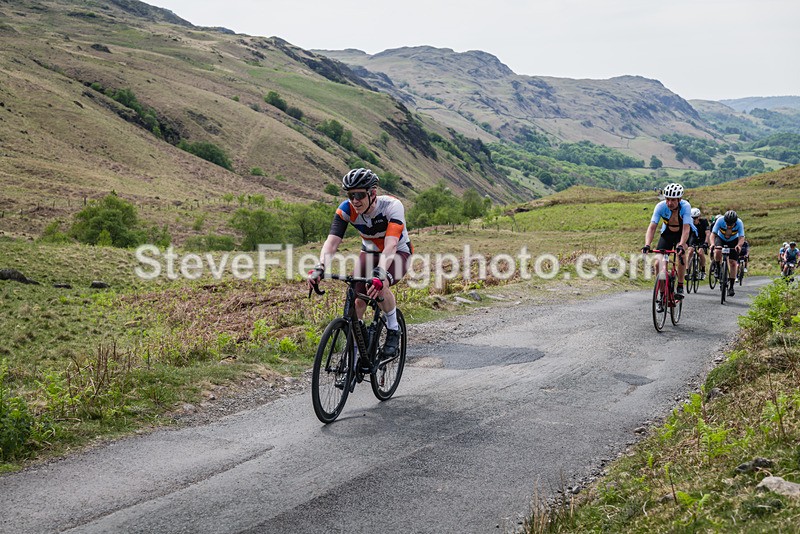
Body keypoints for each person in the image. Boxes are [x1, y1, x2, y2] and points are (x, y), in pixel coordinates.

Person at [307, 168, 412, 358]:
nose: (355, 200)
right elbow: (332, 242)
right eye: (351, 195)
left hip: (397, 252)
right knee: (357, 301)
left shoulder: (392, 207)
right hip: (369, 252)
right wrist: (320, 267)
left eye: (360, 195)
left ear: (373, 194)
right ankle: (358, 351)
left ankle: (393, 329)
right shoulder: (346, 209)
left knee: (380, 285)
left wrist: (380, 273)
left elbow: (391, 244)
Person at [642, 183, 695, 300]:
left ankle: (680, 285)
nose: (669, 203)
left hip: (682, 234)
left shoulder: (685, 206)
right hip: (667, 234)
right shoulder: (660, 207)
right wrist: (647, 245)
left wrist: (681, 245)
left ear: (679, 199)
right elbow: (652, 227)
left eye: (673, 200)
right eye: (667, 199)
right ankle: (662, 295)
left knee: (681, 254)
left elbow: (686, 229)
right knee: (657, 263)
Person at [710, 210, 745, 297]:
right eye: (727, 224)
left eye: (731, 224)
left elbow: (741, 237)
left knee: (733, 263)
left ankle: (731, 287)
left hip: (733, 240)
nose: (728, 226)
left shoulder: (739, 223)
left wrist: (739, 246)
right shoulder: (720, 220)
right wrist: (712, 244)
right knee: (717, 251)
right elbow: (713, 234)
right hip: (720, 238)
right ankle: (718, 268)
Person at [686, 207, 710, 280]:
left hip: (702, 239)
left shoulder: (704, 222)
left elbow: (708, 233)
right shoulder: (689, 223)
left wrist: (706, 243)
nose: (693, 220)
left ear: (699, 217)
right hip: (693, 238)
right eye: (692, 218)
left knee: (700, 252)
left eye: (695, 218)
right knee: (690, 251)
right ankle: (687, 271)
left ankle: (703, 270)